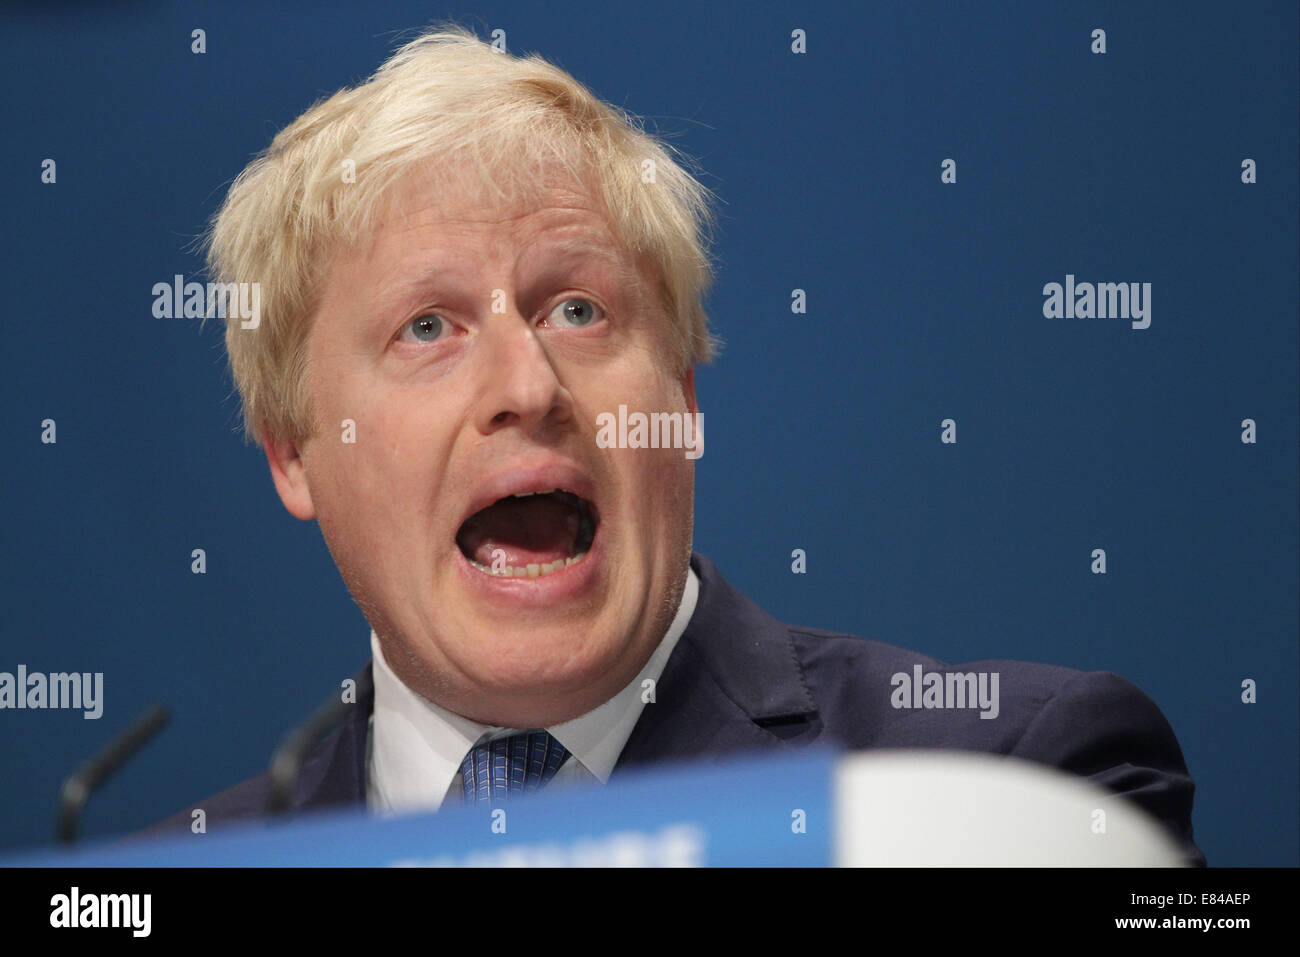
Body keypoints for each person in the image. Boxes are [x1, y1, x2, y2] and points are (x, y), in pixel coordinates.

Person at [147, 25, 1204, 865]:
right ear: (292, 451)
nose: (528, 388)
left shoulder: (1011, 796)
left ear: (683, 400)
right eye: (427, 327)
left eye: (576, 311)